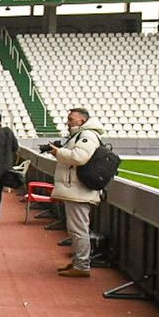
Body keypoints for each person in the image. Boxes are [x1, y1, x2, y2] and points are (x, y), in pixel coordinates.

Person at [50, 106, 106, 277]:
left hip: (79, 190)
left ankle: (82, 265)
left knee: (79, 228)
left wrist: (58, 152)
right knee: (75, 228)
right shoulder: (80, 135)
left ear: (82, 120)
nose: (68, 123)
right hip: (75, 189)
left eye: (71, 119)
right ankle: (78, 261)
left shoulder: (87, 135)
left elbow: (79, 158)